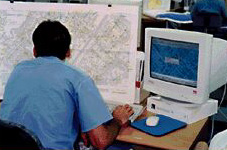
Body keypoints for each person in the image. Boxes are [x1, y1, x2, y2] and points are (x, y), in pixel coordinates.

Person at [0, 20, 134, 150]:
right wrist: (117, 120)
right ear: (68, 52)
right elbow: (101, 141)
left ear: (34, 51)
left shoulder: (18, 70)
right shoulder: (78, 79)